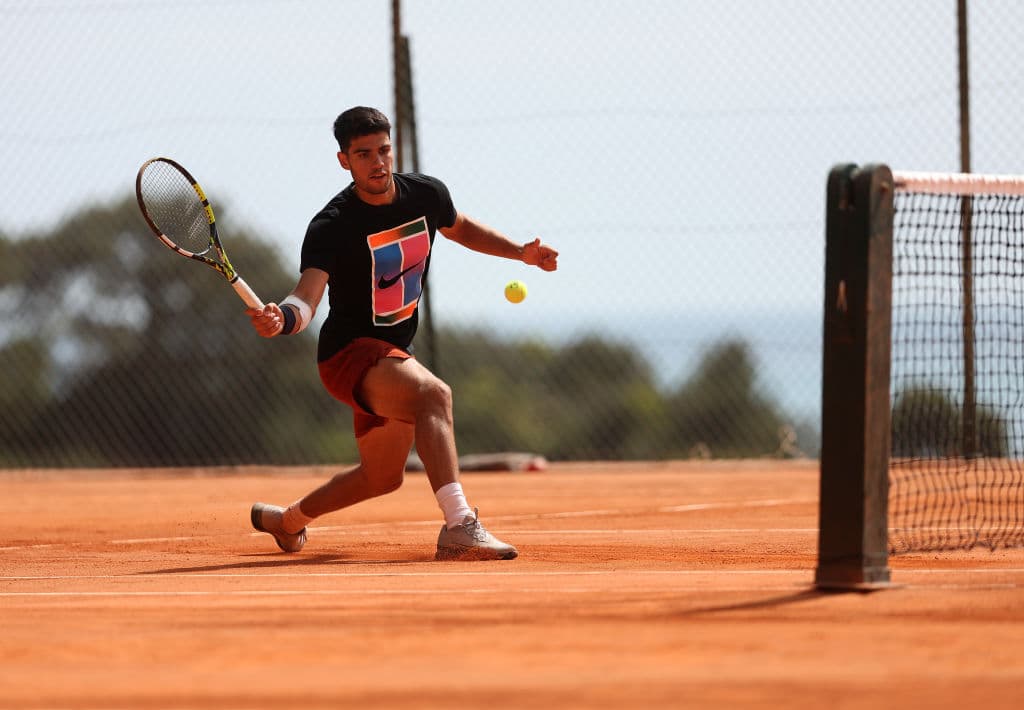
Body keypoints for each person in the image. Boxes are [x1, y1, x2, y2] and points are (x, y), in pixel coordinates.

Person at [246, 106, 559, 560]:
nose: (377, 162)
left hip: (393, 350)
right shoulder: (331, 225)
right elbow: (306, 296)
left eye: (384, 150)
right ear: (344, 161)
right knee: (435, 395)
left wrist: (521, 254)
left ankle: (287, 521)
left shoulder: (426, 195)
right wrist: (284, 317)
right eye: (364, 154)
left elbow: (461, 227)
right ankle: (460, 526)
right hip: (348, 356)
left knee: (382, 477)